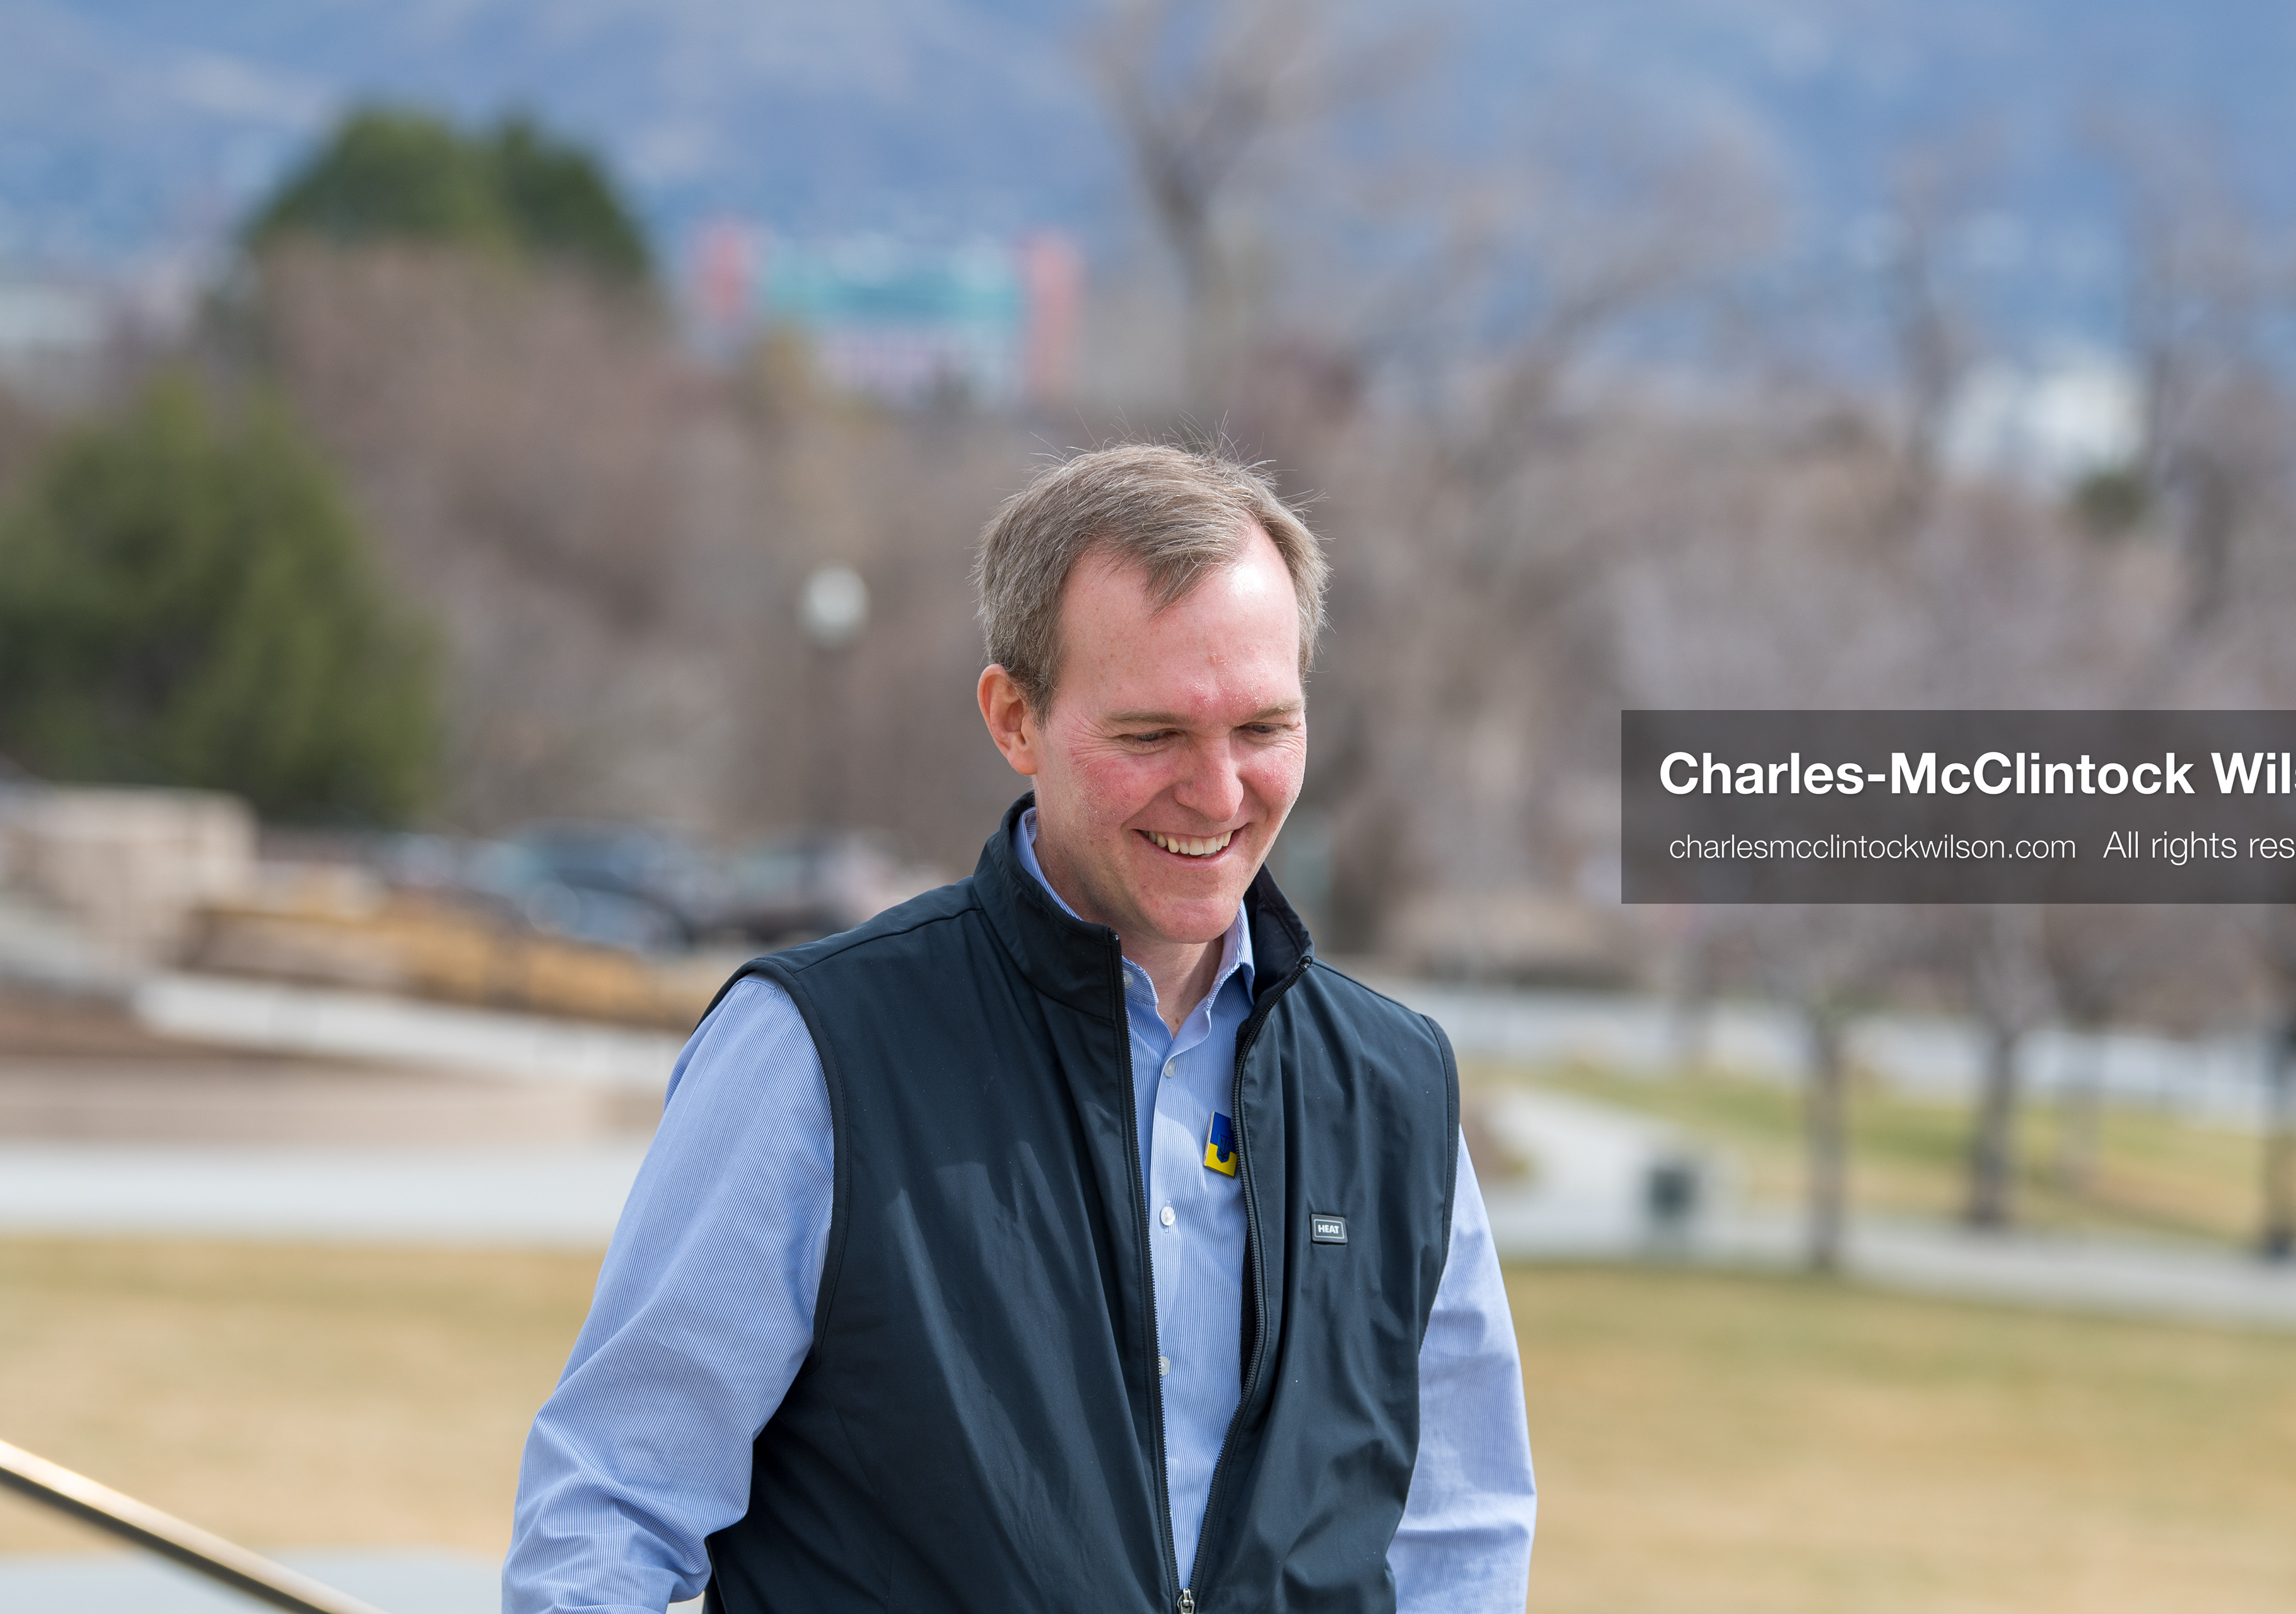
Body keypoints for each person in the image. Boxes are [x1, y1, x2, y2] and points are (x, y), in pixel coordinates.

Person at [504, 444, 1535, 1614]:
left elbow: (1461, 1536)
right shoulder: (816, 1052)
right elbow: (609, 1511)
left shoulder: (1397, 1091)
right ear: (1014, 717)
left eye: (1262, 727)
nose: (1218, 790)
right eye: (1152, 736)